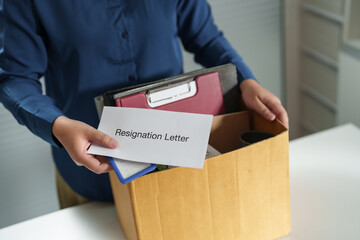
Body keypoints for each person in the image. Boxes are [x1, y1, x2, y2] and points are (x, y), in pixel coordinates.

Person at [0, 0, 288, 207]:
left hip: (174, 164)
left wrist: (245, 80)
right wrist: (57, 126)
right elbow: (15, 77)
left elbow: (205, 36)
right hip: (90, 177)